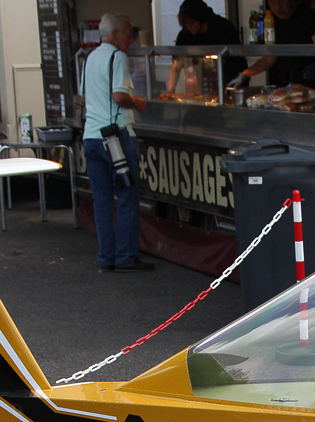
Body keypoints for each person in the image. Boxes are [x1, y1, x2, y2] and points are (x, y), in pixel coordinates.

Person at [83, 13, 151, 273]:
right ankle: (125, 257)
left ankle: (106, 257)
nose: (131, 38)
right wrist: (139, 102)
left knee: (101, 201)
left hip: (91, 136)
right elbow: (119, 95)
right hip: (116, 137)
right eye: (128, 32)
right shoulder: (117, 56)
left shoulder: (90, 58)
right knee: (126, 197)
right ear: (115, 34)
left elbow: (83, 96)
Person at [226, 0, 315, 96]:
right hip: (297, 86)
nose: (278, 7)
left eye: (281, 1)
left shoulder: (307, 16)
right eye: (272, 2)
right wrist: (245, 74)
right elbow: (270, 57)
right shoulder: (272, 20)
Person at [165, 0, 239, 94]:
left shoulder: (223, 28)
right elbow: (176, 64)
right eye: (185, 23)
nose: (188, 26)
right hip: (200, 87)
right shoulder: (185, 35)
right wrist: (170, 91)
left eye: (192, 22)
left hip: (230, 86)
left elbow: (236, 63)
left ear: (201, 18)